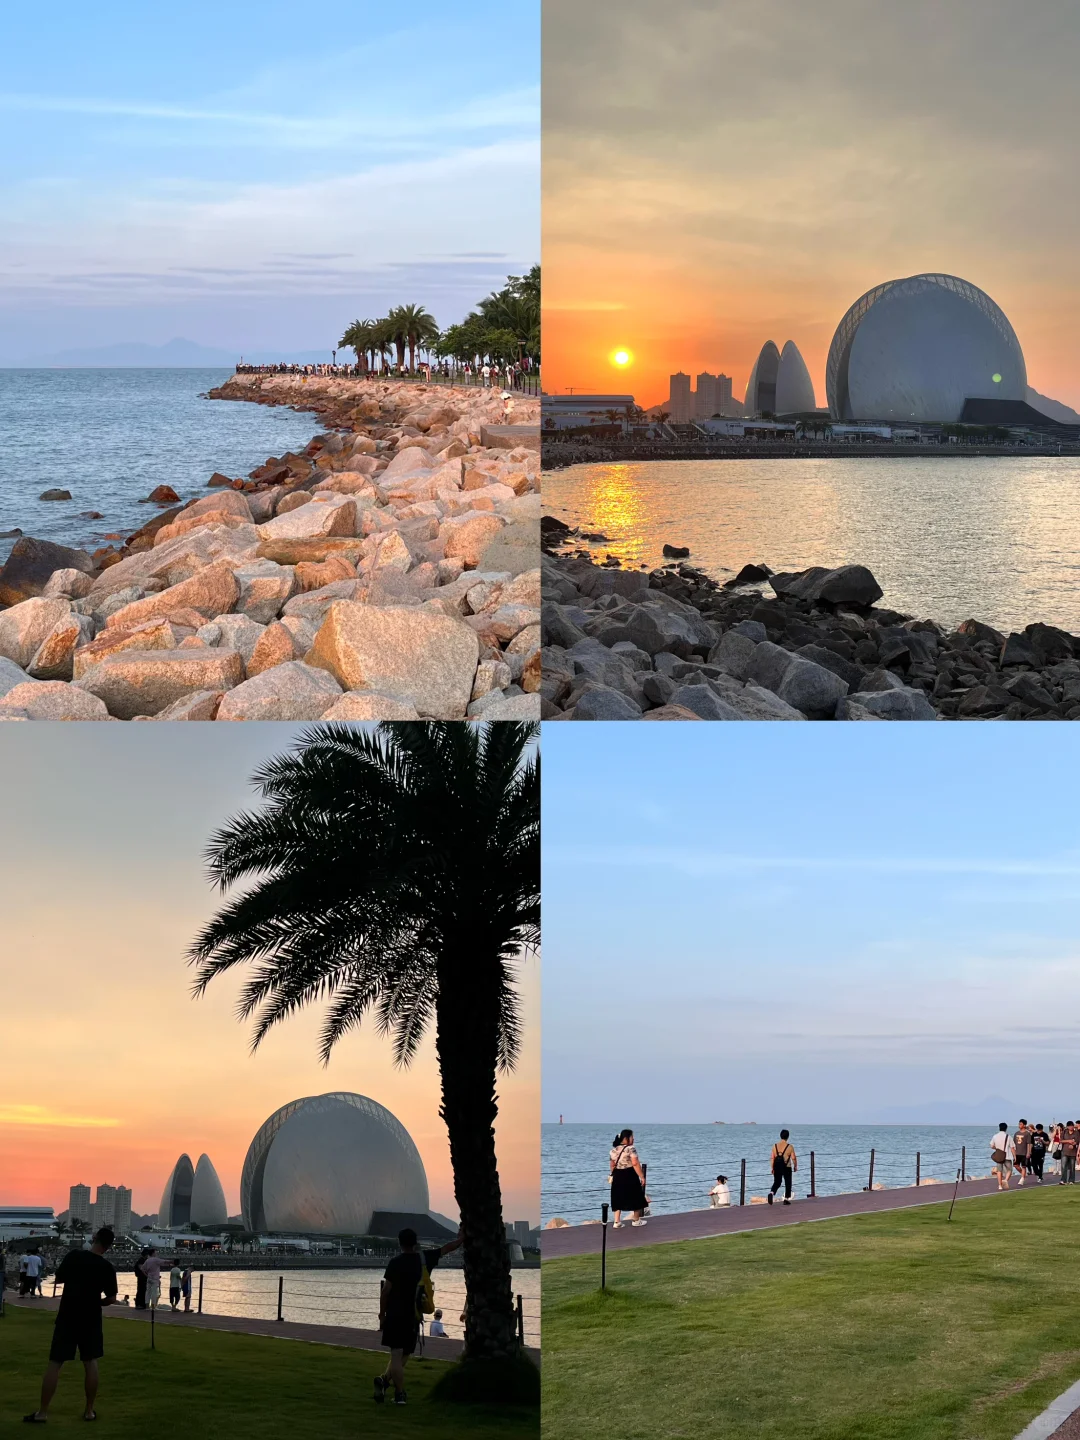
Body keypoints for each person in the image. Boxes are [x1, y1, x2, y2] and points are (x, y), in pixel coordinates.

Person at [23, 1226, 118, 1424]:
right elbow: (111, 1298)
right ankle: (89, 1411)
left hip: (68, 1315)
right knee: (90, 1362)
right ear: (109, 1246)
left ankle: (42, 1412)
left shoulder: (74, 1256)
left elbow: (59, 1278)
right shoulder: (107, 1267)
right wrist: (96, 1301)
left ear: (94, 1238)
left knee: (55, 1362)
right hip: (91, 1318)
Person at [374, 1227, 463, 1407]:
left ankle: (392, 1388)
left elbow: (386, 1291)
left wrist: (382, 1314)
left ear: (400, 1243)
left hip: (395, 1314)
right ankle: (393, 1388)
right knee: (405, 1354)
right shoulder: (424, 1259)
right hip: (413, 1315)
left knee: (397, 1354)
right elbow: (446, 1248)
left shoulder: (394, 1263)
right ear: (416, 1243)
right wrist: (461, 1239)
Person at [609, 1129, 648, 1228]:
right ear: (626, 1138)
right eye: (632, 1137)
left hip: (617, 1175)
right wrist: (642, 1176)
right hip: (629, 1174)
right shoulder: (631, 1148)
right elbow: (635, 1163)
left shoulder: (613, 1150)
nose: (633, 1139)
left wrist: (613, 1174)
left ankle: (617, 1222)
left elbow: (612, 1165)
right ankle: (636, 1220)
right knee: (636, 1195)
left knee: (617, 1196)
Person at [768, 1131, 797, 1205]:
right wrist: (795, 1166)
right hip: (787, 1167)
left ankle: (771, 1193)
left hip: (777, 1166)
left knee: (777, 1182)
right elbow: (793, 1158)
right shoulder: (790, 1147)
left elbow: (772, 1158)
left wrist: (772, 1168)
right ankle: (786, 1199)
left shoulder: (774, 1146)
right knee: (788, 1182)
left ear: (780, 1136)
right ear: (788, 1137)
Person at [991, 1122, 1014, 1189]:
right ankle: (1005, 1180)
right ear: (1006, 1128)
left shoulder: (995, 1136)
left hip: (999, 1156)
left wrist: (997, 1148)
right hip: (1007, 1156)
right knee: (1010, 1170)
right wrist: (1014, 1156)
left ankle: (1000, 1185)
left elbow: (992, 1146)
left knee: (999, 1171)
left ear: (999, 1128)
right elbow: (1012, 1148)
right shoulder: (1008, 1137)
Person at [1014, 1119, 1030, 1186]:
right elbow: (1014, 1143)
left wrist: (1028, 1152)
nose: (1019, 1125)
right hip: (1017, 1152)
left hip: (1024, 1152)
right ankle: (1023, 1174)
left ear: (1024, 1125)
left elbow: (1028, 1144)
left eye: (1021, 1124)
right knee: (1015, 1165)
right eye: (1019, 1124)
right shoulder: (1016, 1133)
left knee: (1023, 1166)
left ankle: (1022, 1179)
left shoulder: (1027, 1133)